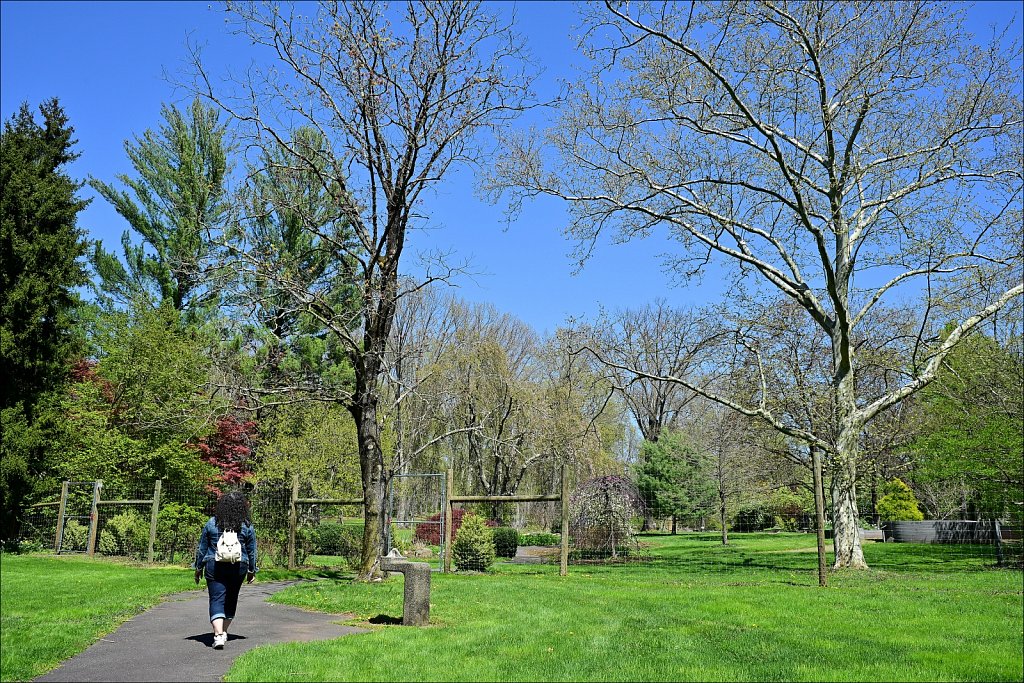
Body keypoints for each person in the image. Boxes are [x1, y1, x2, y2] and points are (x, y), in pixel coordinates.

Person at [193, 491, 258, 649]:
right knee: (231, 598)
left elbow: (202, 548)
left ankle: (218, 634)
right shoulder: (247, 526)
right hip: (239, 566)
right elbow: (252, 551)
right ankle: (223, 632)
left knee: (216, 599)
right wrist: (252, 570)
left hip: (213, 565)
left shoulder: (212, 523)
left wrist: (198, 568)